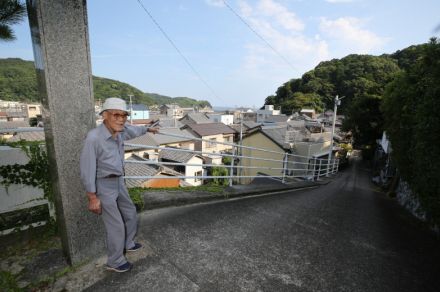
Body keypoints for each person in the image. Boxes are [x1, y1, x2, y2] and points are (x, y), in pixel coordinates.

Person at [80, 97, 159, 273]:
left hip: (118, 181)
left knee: (130, 212)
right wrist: (92, 197)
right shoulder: (94, 138)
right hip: (103, 185)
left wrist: (148, 129)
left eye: (124, 115)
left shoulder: (121, 130)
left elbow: (135, 130)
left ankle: (128, 243)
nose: (121, 119)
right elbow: (87, 168)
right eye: (116, 115)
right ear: (105, 116)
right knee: (115, 224)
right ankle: (114, 261)